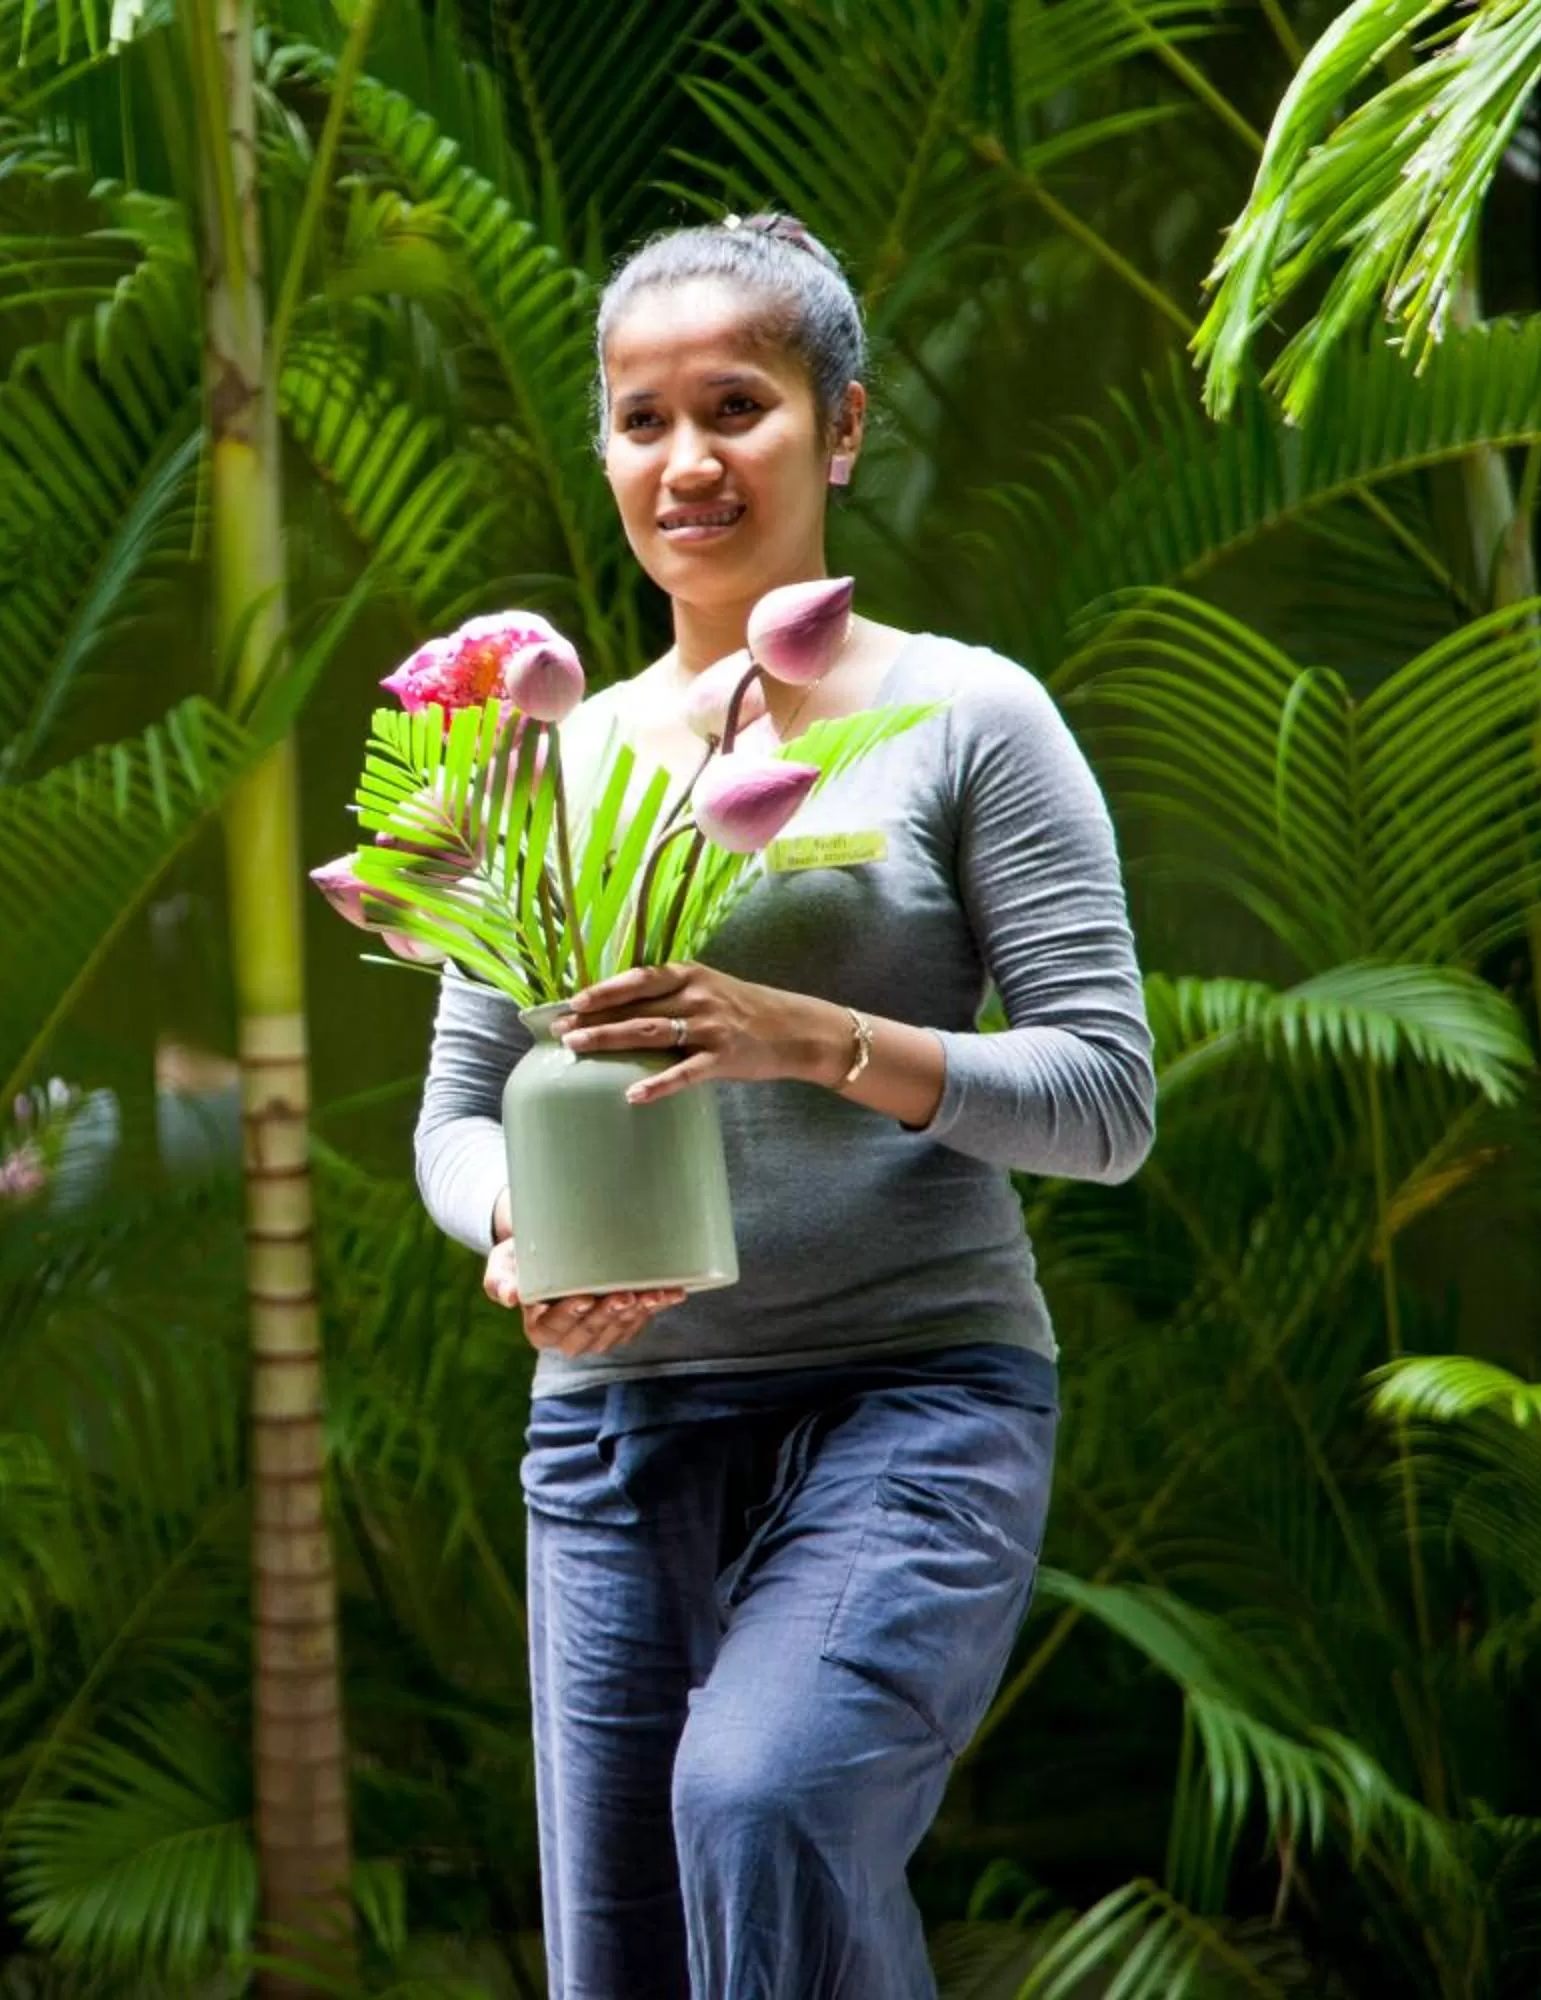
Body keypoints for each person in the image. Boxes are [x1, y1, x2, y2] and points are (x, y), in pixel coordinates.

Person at [413, 212, 1155, 1997]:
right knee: (635, 1960)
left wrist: (814, 1036)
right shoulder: (540, 763)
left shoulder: (968, 715)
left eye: (735, 407)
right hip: (613, 1433)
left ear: (840, 427)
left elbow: (1107, 1097)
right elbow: (454, 1119)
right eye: (639, 417)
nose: (685, 462)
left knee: (761, 1802)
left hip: (912, 1400)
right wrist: (511, 1234)